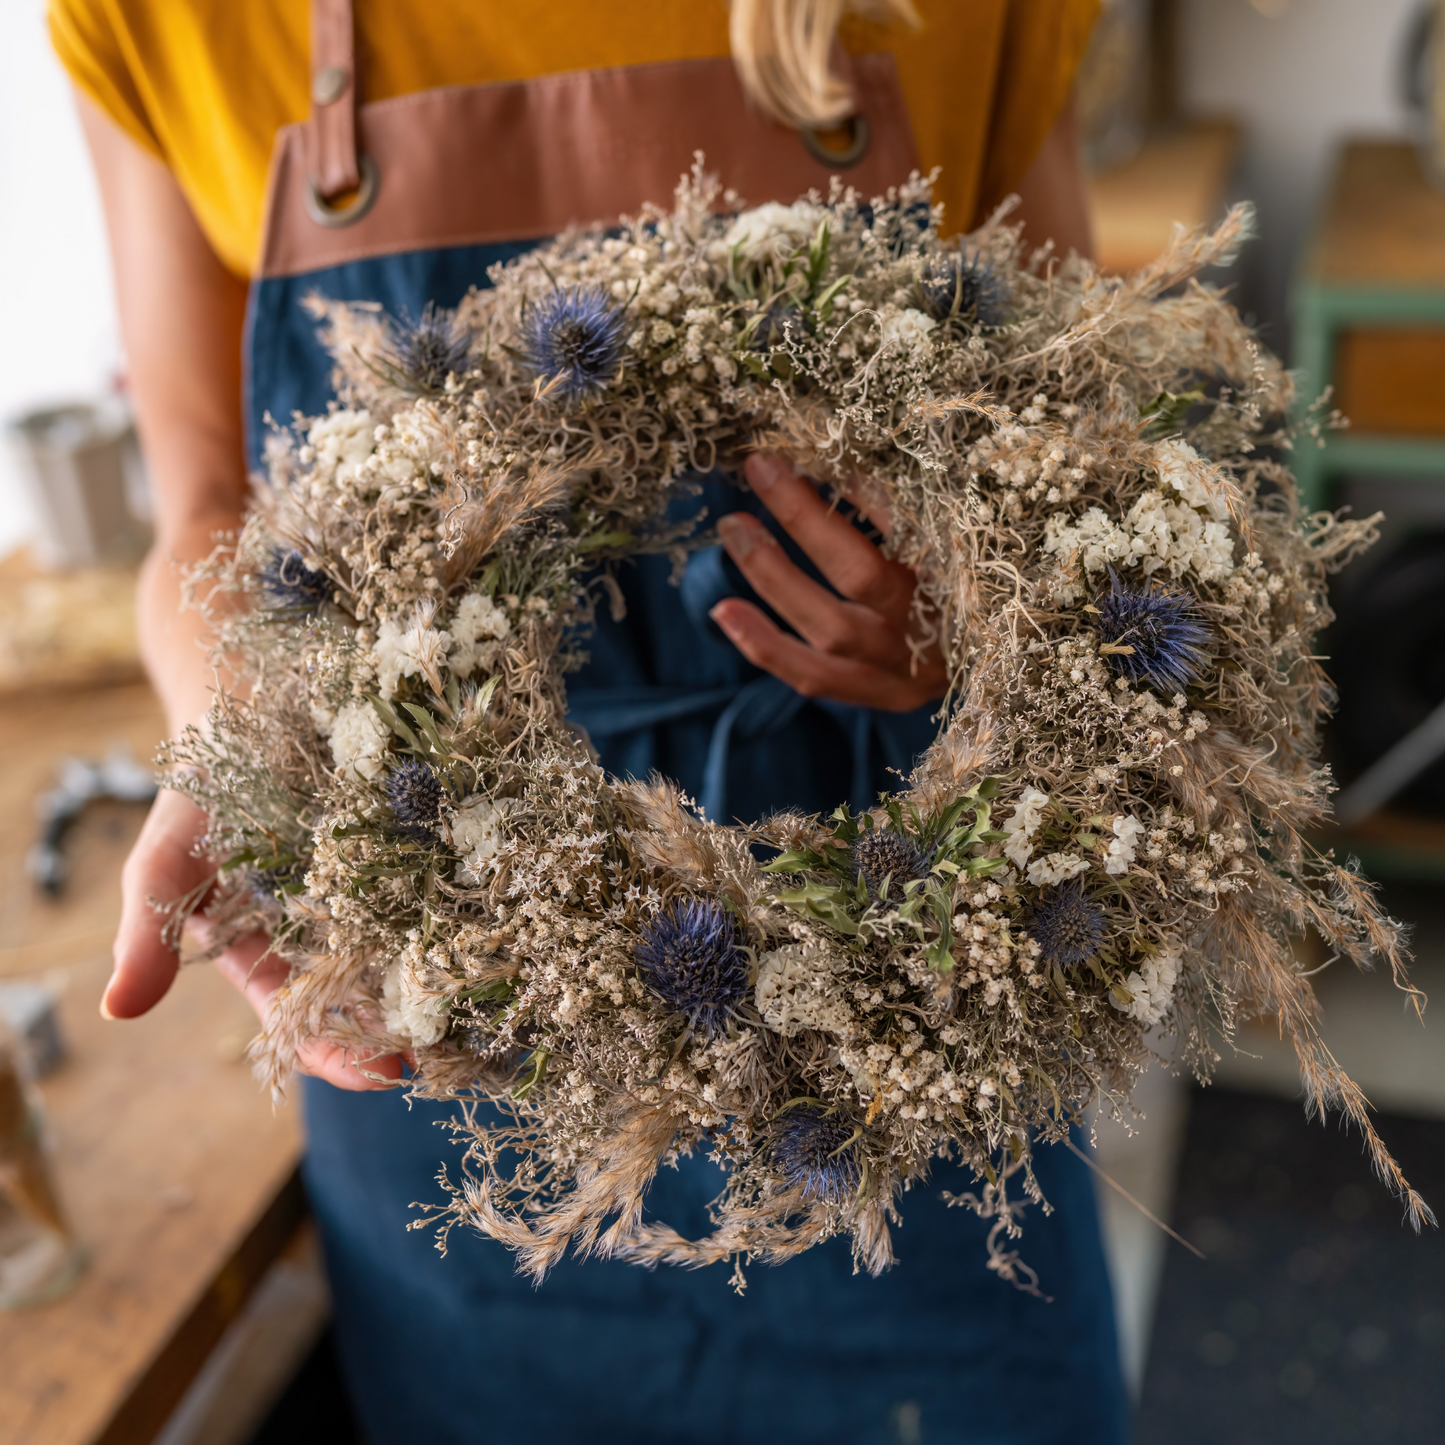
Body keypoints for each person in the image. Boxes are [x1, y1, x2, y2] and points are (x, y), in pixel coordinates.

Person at [55, 1, 1130, 1439]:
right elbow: (204, 512)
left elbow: (1076, 449)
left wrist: (978, 616)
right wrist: (236, 746)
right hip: (452, 1008)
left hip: (903, 1010)